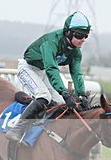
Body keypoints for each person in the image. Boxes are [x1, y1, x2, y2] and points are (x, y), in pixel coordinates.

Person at [6, 11, 92, 143]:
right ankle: (18, 128)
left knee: (61, 104)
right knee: (44, 96)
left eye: (86, 36)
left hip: (43, 71)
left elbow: (76, 73)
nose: (83, 39)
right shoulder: (52, 42)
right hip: (28, 68)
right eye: (80, 35)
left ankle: (44, 134)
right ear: (68, 32)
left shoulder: (76, 52)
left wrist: (82, 94)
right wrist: (65, 92)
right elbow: (52, 69)